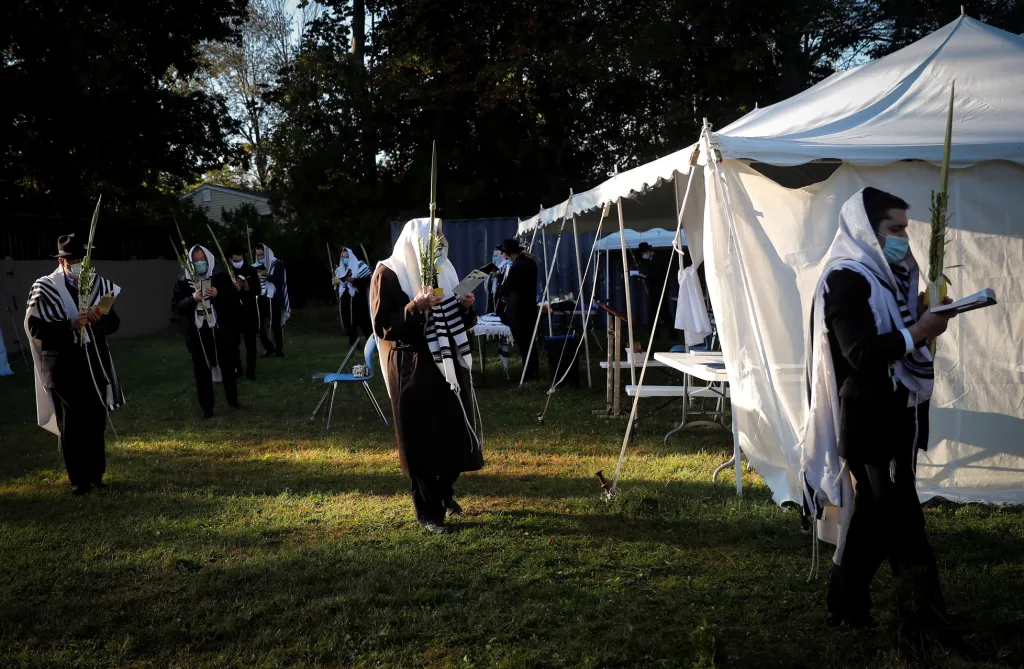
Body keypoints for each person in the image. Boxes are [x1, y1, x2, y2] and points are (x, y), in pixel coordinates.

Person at [802, 187, 954, 628]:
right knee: (899, 515)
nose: (903, 238)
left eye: (905, 229)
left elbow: (900, 329)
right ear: (866, 230)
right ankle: (922, 611)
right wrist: (919, 331)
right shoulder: (846, 276)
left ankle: (847, 604)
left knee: (875, 512)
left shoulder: (889, 274)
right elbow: (861, 353)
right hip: (871, 415)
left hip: (897, 408)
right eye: (895, 229)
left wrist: (927, 315)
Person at [370, 218, 484, 535]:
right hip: (412, 365)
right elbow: (385, 326)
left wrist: (464, 306)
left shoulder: (444, 270)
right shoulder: (388, 273)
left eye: (440, 238)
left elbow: (459, 320)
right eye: (432, 238)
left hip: (447, 363)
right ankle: (429, 512)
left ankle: (444, 490)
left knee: (454, 432)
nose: (438, 244)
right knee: (422, 439)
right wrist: (415, 306)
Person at [24, 234, 124, 495]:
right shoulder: (44, 286)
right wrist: (69, 323)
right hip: (62, 364)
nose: (78, 263)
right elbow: (34, 326)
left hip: (93, 362)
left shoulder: (98, 285)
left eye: (82, 259)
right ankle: (78, 478)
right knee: (72, 421)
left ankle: (96, 474)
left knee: (95, 418)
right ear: (61, 261)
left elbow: (113, 323)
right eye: (72, 259)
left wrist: (96, 320)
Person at [171, 245, 242, 418]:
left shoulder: (220, 277)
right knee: (202, 369)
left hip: (219, 328)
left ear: (208, 259)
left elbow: (234, 301)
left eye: (202, 259)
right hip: (197, 331)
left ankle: (232, 400)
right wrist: (192, 299)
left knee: (227, 365)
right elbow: (175, 307)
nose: (199, 263)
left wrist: (218, 295)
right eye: (195, 260)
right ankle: (207, 408)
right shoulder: (183, 281)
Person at [495, 238, 539, 380]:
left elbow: (508, 287)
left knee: (524, 342)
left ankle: (530, 373)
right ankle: (532, 370)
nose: (502, 255)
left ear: (507, 253)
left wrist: (499, 291)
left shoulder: (518, 266)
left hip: (521, 309)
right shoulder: (529, 262)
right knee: (529, 342)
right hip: (529, 307)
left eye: (503, 252)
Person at [254, 243, 290, 357]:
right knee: (258, 324)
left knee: (275, 325)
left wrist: (268, 275)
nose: (260, 258)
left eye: (262, 255)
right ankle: (269, 347)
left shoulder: (277, 263)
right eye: (258, 256)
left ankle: (279, 350)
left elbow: (280, 281)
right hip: (261, 297)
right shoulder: (256, 266)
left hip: (274, 297)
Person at [333, 247, 373, 347]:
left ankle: (373, 343)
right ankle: (355, 345)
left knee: (365, 324)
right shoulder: (340, 270)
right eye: (343, 257)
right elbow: (339, 286)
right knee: (351, 324)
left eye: (347, 257)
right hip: (347, 301)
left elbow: (369, 280)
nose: (345, 259)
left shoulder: (360, 265)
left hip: (359, 300)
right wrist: (335, 283)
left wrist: (354, 281)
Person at [230, 250, 259, 380]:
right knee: (233, 343)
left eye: (239, 260)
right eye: (235, 261)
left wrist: (247, 287)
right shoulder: (228, 271)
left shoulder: (251, 271)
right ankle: (237, 369)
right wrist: (233, 289)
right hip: (234, 312)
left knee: (250, 343)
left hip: (249, 312)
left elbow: (258, 290)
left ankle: (251, 371)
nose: (238, 263)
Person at [638, 242, 671, 339]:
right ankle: (657, 334)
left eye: (643, 253)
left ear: (648, 251)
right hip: (657, 290)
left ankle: (659, 334)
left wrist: (645, 277)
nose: (643, 256)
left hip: (659, 291)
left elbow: (656, 276)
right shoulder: (653, 260)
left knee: (660, 312)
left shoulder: (656, 260)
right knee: (660, 312)